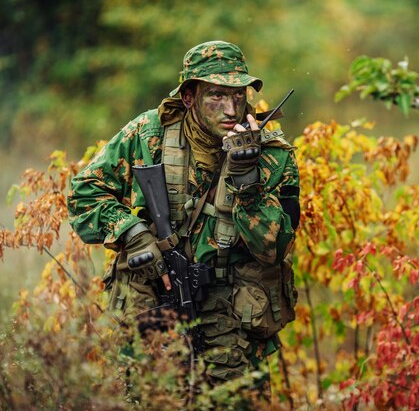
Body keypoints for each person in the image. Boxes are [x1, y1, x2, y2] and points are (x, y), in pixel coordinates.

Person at [67, 40, 300, 386]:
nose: (232, 110)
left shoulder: (273, 156)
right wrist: (132, 233)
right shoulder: (149, 135)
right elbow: (83, 193)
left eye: (238, 96)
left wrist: (248, 182)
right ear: (189, 97)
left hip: (234, 320)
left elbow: (274, 249)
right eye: (216, 96)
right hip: (155, 302)